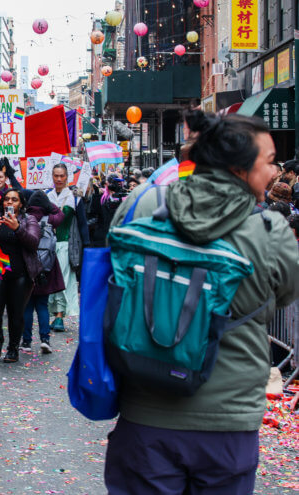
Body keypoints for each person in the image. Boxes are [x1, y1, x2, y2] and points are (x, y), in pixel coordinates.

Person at [104, 112, 299, 494]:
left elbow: (114, 268)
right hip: (228, 424)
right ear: (238, 168)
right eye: (269, 160)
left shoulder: (143, 205)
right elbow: (286, 295)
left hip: (146, 411)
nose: (276, 170)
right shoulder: (270, 231)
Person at [0, 188, 40, 363]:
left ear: (21, 204)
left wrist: (17, 228)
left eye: (14, 200)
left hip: (21, 274)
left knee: (15, 313)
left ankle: (13, 348)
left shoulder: (29, 220)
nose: (10, 203)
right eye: (6, 199)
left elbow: (34, 243)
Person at [21, 191, 65, 354]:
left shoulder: (24, 217)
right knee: (42, 306)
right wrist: (49, 205)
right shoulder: (51, 219)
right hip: (46, 269)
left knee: (27, 306)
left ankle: (26, 341)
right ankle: (45, 339)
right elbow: (60, 214)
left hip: (28, 266)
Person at [46, 164, 79, 331]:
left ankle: (59, 315)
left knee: (63, 279)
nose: (58, 179)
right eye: (56, 176)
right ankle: (54, 313)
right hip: (48, 245)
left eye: (62, 176)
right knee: (51, 278)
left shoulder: (73, 197)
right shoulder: (48, 195)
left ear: (67, 177)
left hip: (65, 244)